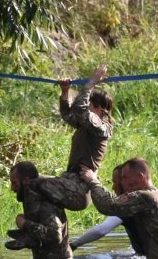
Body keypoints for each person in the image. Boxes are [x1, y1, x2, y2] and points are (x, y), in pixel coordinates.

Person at [80, 158, 158, 259]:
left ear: (140, 177)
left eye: (125, 178)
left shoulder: (147, 197)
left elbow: (108, 206)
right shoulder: (156, 195)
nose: (122, 183)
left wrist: (93, 181)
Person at [32, 64, 113, 211]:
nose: (86, 109)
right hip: (69, 182)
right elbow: (69, 115)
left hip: (78, 188)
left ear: (100, 110)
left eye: (90, 106)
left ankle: (40, 229)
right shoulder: (87, 126)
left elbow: (80, 110)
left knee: (30, 183)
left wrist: (91, 83)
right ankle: (53, 230)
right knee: (29, 176)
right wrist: (65, 92)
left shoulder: (101, 128)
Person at [6, 161, 75, 259]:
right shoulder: (34, 199)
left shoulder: (45, 202)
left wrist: (25, 224)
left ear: (26, 181)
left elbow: (55, 235)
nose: (12, 188)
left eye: (14, 183)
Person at [69, 164, 146, 256]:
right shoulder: (145, 198)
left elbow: (101, 230)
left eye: (115, 182)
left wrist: (73, 245)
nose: (113, 187)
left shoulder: (130, 205)